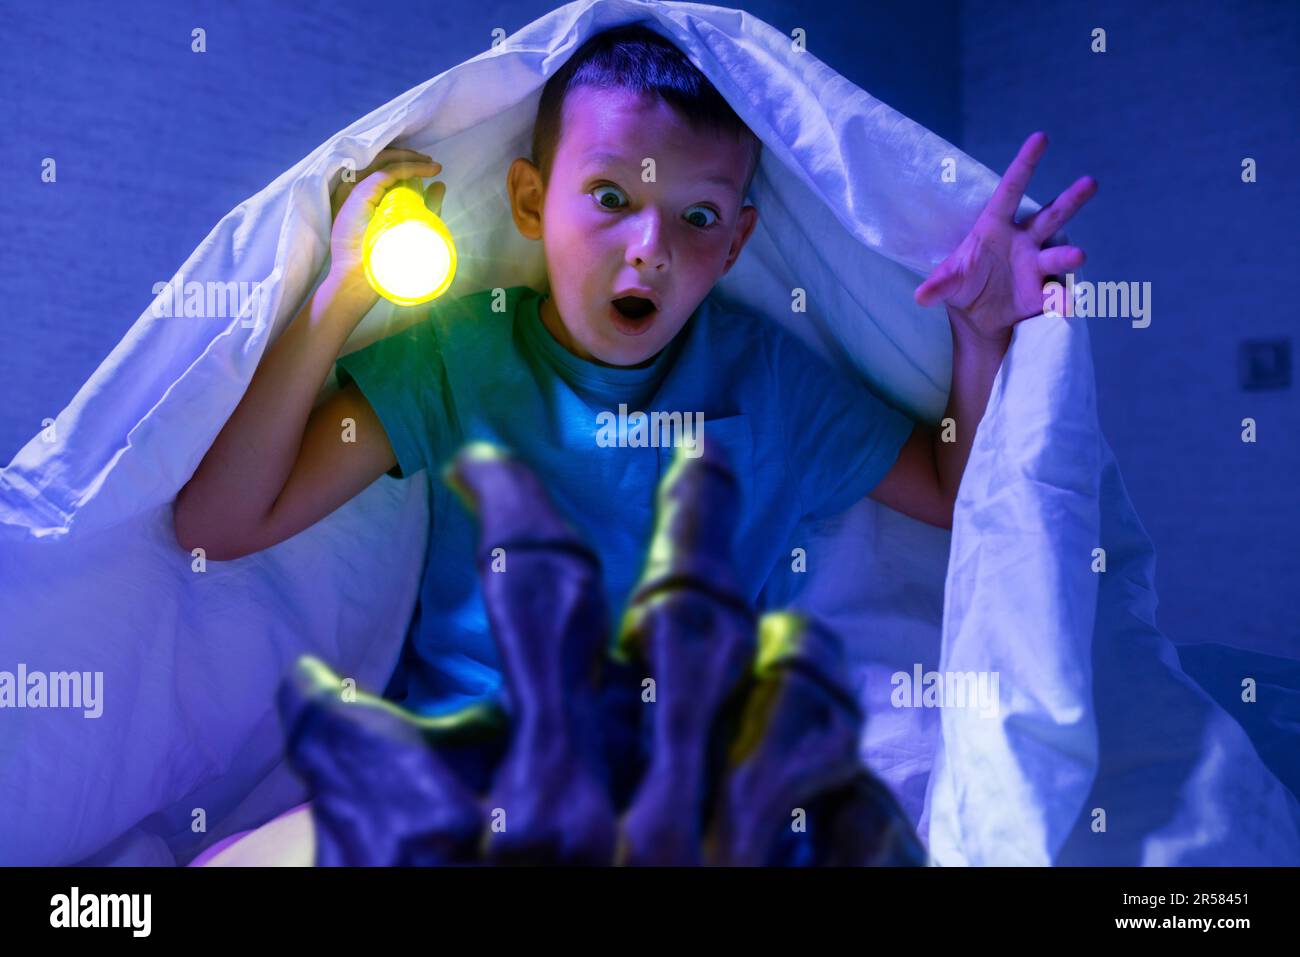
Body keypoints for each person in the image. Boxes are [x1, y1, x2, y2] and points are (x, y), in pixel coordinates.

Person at [173, 24, 1095, 716]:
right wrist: (341, 292)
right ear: (531, 202)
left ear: (737, 242)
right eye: (611, 197)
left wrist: (981, 337)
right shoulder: (459, 358)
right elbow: (218, 522)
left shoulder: (765, 381)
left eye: (697, 217)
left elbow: (956, 495)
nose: (649, 247)